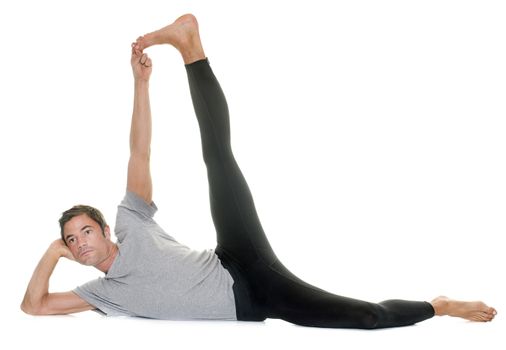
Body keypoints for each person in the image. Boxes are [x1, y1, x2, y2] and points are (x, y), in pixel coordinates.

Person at [21, 14, 497, 328]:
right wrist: (49, 253)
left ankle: (191, 47)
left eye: (85, 231)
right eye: (71, 239)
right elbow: (34, 306)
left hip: (239, 259)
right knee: (368, 318)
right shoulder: (103, 295)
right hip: (260, 299)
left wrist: (140, 83)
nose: (80, 242)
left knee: (219, 158)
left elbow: (139, 151)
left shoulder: (131, 220)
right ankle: (442, 305)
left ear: (105, 229)